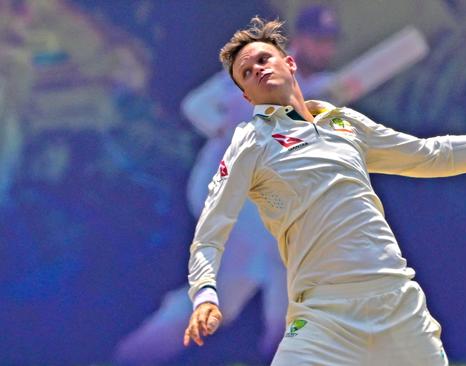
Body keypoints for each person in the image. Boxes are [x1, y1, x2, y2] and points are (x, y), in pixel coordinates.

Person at [182, 15, 466, 365]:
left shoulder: (343, 122)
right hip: (321, 316)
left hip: (396, 303)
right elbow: (210, 232)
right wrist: (204, 295)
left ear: (290, 63)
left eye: (264, 59)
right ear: (246, 97)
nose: (258, 70)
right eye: (246, 73)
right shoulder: (249, 142)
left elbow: (432, 155)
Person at [114, 5, 340, 363]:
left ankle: (133, 354)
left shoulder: (318, 88)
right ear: (301, 39)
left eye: (329, 42)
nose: (324, 49)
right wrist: (225, 127)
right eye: (318, 41)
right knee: (263, 272)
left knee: (244, 297)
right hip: (227, 196)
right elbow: (196, 105)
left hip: (261, 202)